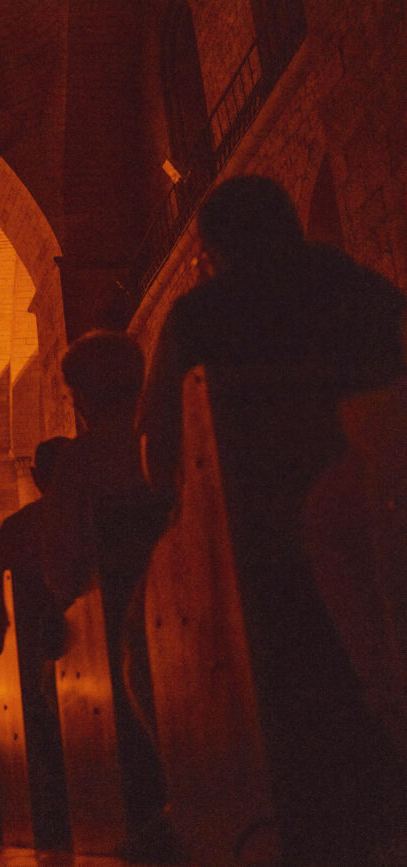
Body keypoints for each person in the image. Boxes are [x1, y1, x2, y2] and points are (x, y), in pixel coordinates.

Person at [139, 175, 407, 864]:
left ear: (211, 249)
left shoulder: (200, 314)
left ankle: (195, 798)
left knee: (148, 626)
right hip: (384, 513)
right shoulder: (364, 289)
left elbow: (160, 450)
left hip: (253, 552)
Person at [43, 330, 174, 862]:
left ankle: (149, 814)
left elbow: (61, 571)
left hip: (127, 620)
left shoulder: (81, 461)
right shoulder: (172, 433)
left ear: (83, 396)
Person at [0, 436, 71, 849]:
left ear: (35, 476)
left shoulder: (21, 528)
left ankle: (54, 825)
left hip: (39, 654)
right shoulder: (98, 511)